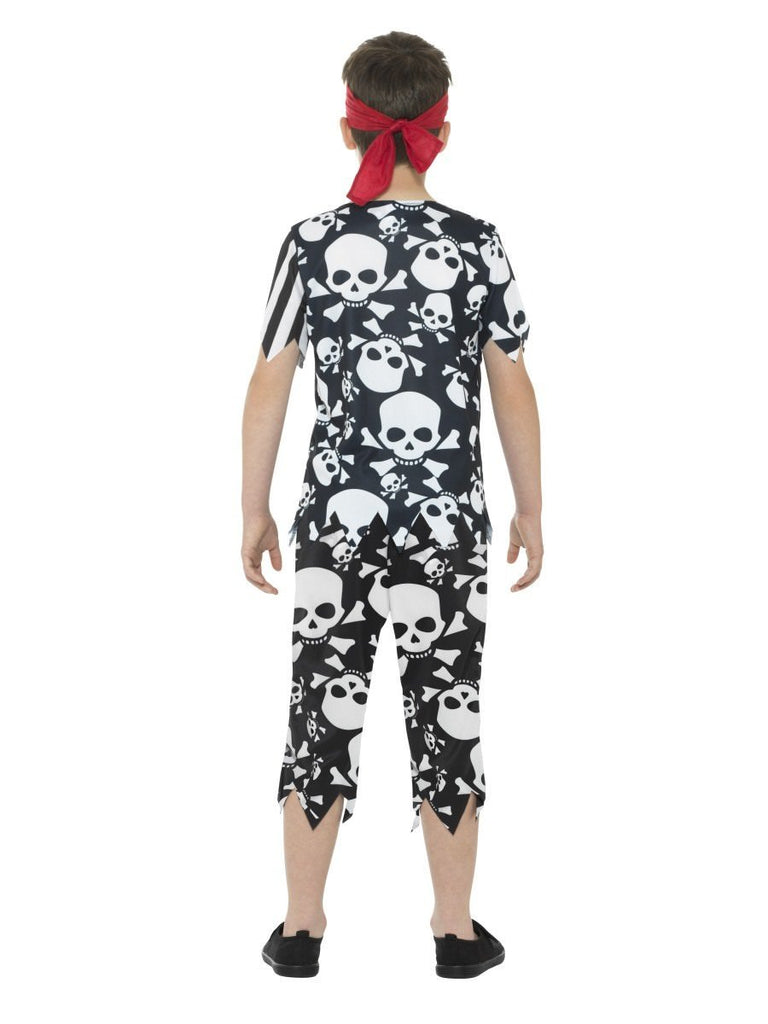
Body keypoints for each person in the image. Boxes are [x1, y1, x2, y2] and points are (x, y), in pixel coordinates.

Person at [242, 30, 543, 979]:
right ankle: (455, 931)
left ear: (349, 128)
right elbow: (511, 380)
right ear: (441, 131)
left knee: (318, 709)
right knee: (449, 707)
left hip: (337, 517)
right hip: (447, 520)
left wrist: (254, 509)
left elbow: (270, 377)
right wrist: (531, 508)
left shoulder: (312, 243)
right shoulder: (477, 243)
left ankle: (300, 930)